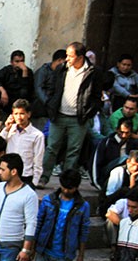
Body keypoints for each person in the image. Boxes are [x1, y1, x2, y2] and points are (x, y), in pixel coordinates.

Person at [39, 42, 108, 186]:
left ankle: (66, 182)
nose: (67, 59)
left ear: (80, 57)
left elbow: (97, 96)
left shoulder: (93, 72)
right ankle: (43, 177)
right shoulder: (61, 69)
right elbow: (52, 88)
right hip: (58, 115)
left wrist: (89, 112)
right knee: (52, 147)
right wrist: (50, 104)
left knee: (73, 150)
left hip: (79, 119)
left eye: (70, 56)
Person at [0, 99, 45, 187]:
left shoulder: (37, 135)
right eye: (16, 114)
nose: (19, 117)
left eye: (22, 113)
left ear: (28, 114)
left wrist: (34, 182)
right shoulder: (10, 130)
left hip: (25, 176)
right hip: (7, 173)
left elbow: (38, 161)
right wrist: (6, 129)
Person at [0, 50, 36, 114]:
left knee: (24, 92)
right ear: (12, 62)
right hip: (7, 98)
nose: (20, 64)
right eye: (17, 61)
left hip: (20, 99)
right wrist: (3, 91)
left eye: (22, 61)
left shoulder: (28, 71)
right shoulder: (6, 70)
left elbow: (28, 89)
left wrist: (24, 73)